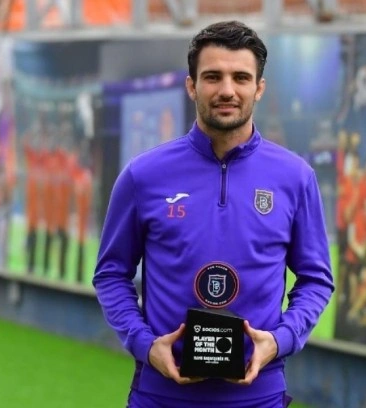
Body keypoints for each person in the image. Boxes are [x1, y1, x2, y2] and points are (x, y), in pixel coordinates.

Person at [93, 20, 334, 408]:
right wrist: (144, 344)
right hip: (160, 395)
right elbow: (110, 273)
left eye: (241, 78)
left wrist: (280, 339)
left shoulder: (295, 177)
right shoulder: (143, 175)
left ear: (259, 88)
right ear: (191, 86)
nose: (227, 90)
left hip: (257, 397)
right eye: (212, 77)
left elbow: (316, 279)